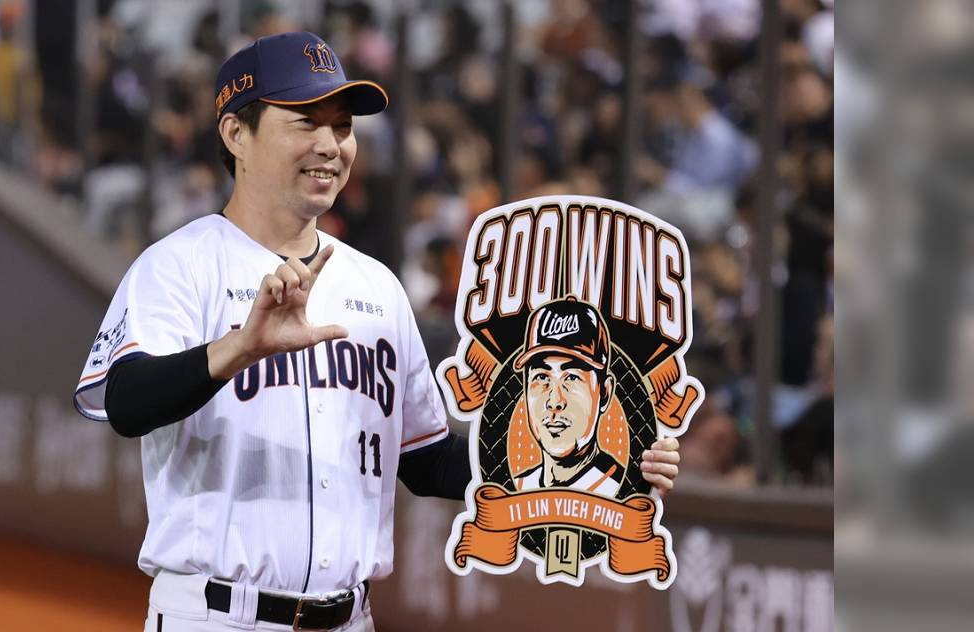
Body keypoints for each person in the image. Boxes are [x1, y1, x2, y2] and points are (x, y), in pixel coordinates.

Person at [73, 32, 680, 632]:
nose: (330, 145)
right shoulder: (181, 264)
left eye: (342, 127)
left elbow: (427, 459)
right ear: (236, 134)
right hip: (216, 616)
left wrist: (592, 466)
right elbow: (126, 401)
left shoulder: (376, 287)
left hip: (350, 617)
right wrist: (237, 349)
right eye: (305, 122)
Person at [514, 298, 623, 495]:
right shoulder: (514, 486)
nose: (554, 401)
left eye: (572, 377)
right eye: (542, 377)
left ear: (605, 392)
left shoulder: (626, 487)